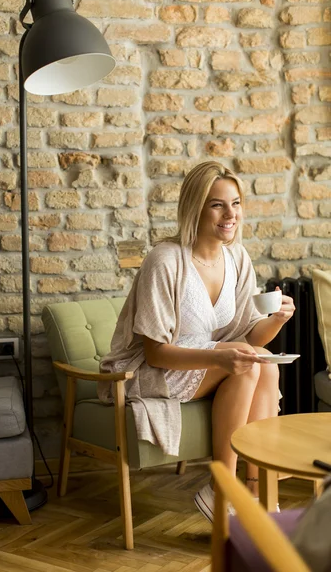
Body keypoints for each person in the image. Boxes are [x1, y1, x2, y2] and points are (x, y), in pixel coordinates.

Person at [98, 161, 295, 523]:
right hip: (156, 370)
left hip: (205, 363)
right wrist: (222, 360)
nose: (230, 214)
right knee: (251, 363)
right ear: (196, 207)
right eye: (217, 204)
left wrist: (277, 320)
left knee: (262, 363)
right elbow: (155, 352)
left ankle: (256, 491)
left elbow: (250, 334)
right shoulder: (165, 260)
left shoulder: (237, 257)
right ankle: (222, 488)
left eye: (235, 203)